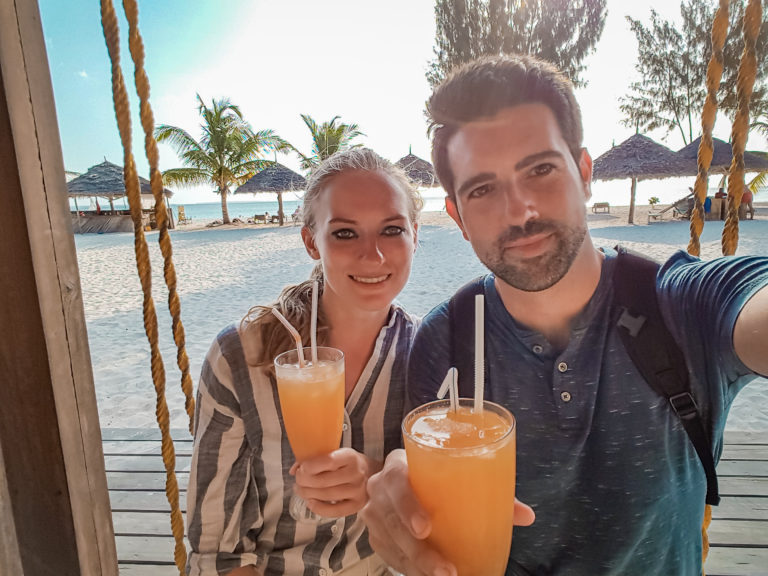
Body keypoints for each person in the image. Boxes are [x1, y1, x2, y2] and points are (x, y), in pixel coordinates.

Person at [360, 54, 768, 576]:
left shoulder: (682, 304)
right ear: (458, 216)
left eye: (540, 169)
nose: (520, 209)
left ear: (584, 172)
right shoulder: (445, 340)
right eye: (483, 189)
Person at [187, 148, 423, 576]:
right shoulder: (241, 357)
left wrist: (375, 478)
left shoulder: (429, 354)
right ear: (312, 241)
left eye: (391, 230)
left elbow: (442, 503)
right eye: (345, 234)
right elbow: (216, 552)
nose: (373, 255)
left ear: (415, 236)